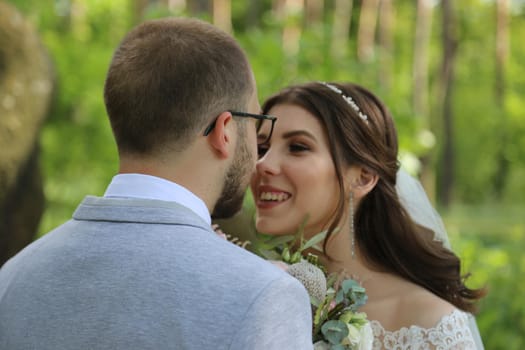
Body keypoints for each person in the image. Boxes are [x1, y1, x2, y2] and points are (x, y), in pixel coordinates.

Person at [0, 18, 313, 350]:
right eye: (255, 122)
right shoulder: (265, 297)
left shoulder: (13, 278)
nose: (260, 153)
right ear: (224, 131)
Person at [250, 81, 486, 349]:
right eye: (261, 148)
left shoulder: (429, 323)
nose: (263, 164)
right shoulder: (256, 293)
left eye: (298, 147)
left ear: (363, 177)